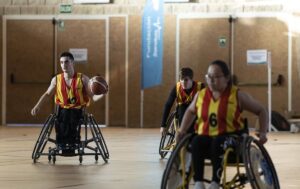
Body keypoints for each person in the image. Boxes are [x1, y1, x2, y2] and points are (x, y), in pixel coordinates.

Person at [177, 60, 268, 189]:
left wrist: (263, 132)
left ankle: (215, 182)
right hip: (206, 137)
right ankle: (198, 182)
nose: (211, 80)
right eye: (209, 76)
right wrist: (182, 130)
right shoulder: (201, 95)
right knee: (197, 141)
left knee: (218, 141)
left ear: (226, 78)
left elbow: (261, 110)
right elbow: (190, 111)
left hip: (232, 138)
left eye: (216, 77)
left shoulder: (237, 95)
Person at [31, 52, 103, 152]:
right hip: (62, 110)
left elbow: (92, 97)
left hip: (78, 110)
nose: (63, 65)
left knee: (70, 115)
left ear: (72, 62)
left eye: (66, 62)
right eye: (61, 62)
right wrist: (37, 106)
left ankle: (70, 143)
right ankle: (63, 143)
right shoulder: (56, 79)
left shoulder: (83, 79)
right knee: (63, 115)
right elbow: (47, 94)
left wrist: (102, 93)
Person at [160, 67, 205, 133]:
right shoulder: (177, 87)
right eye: (181, 79)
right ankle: (183, 133)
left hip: (196, 109)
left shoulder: (200, 87)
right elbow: (168, 105)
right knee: (182, 109)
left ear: (191, 80)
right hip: (182, 110)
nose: (183, 82)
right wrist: (163, 125)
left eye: (186, 80)